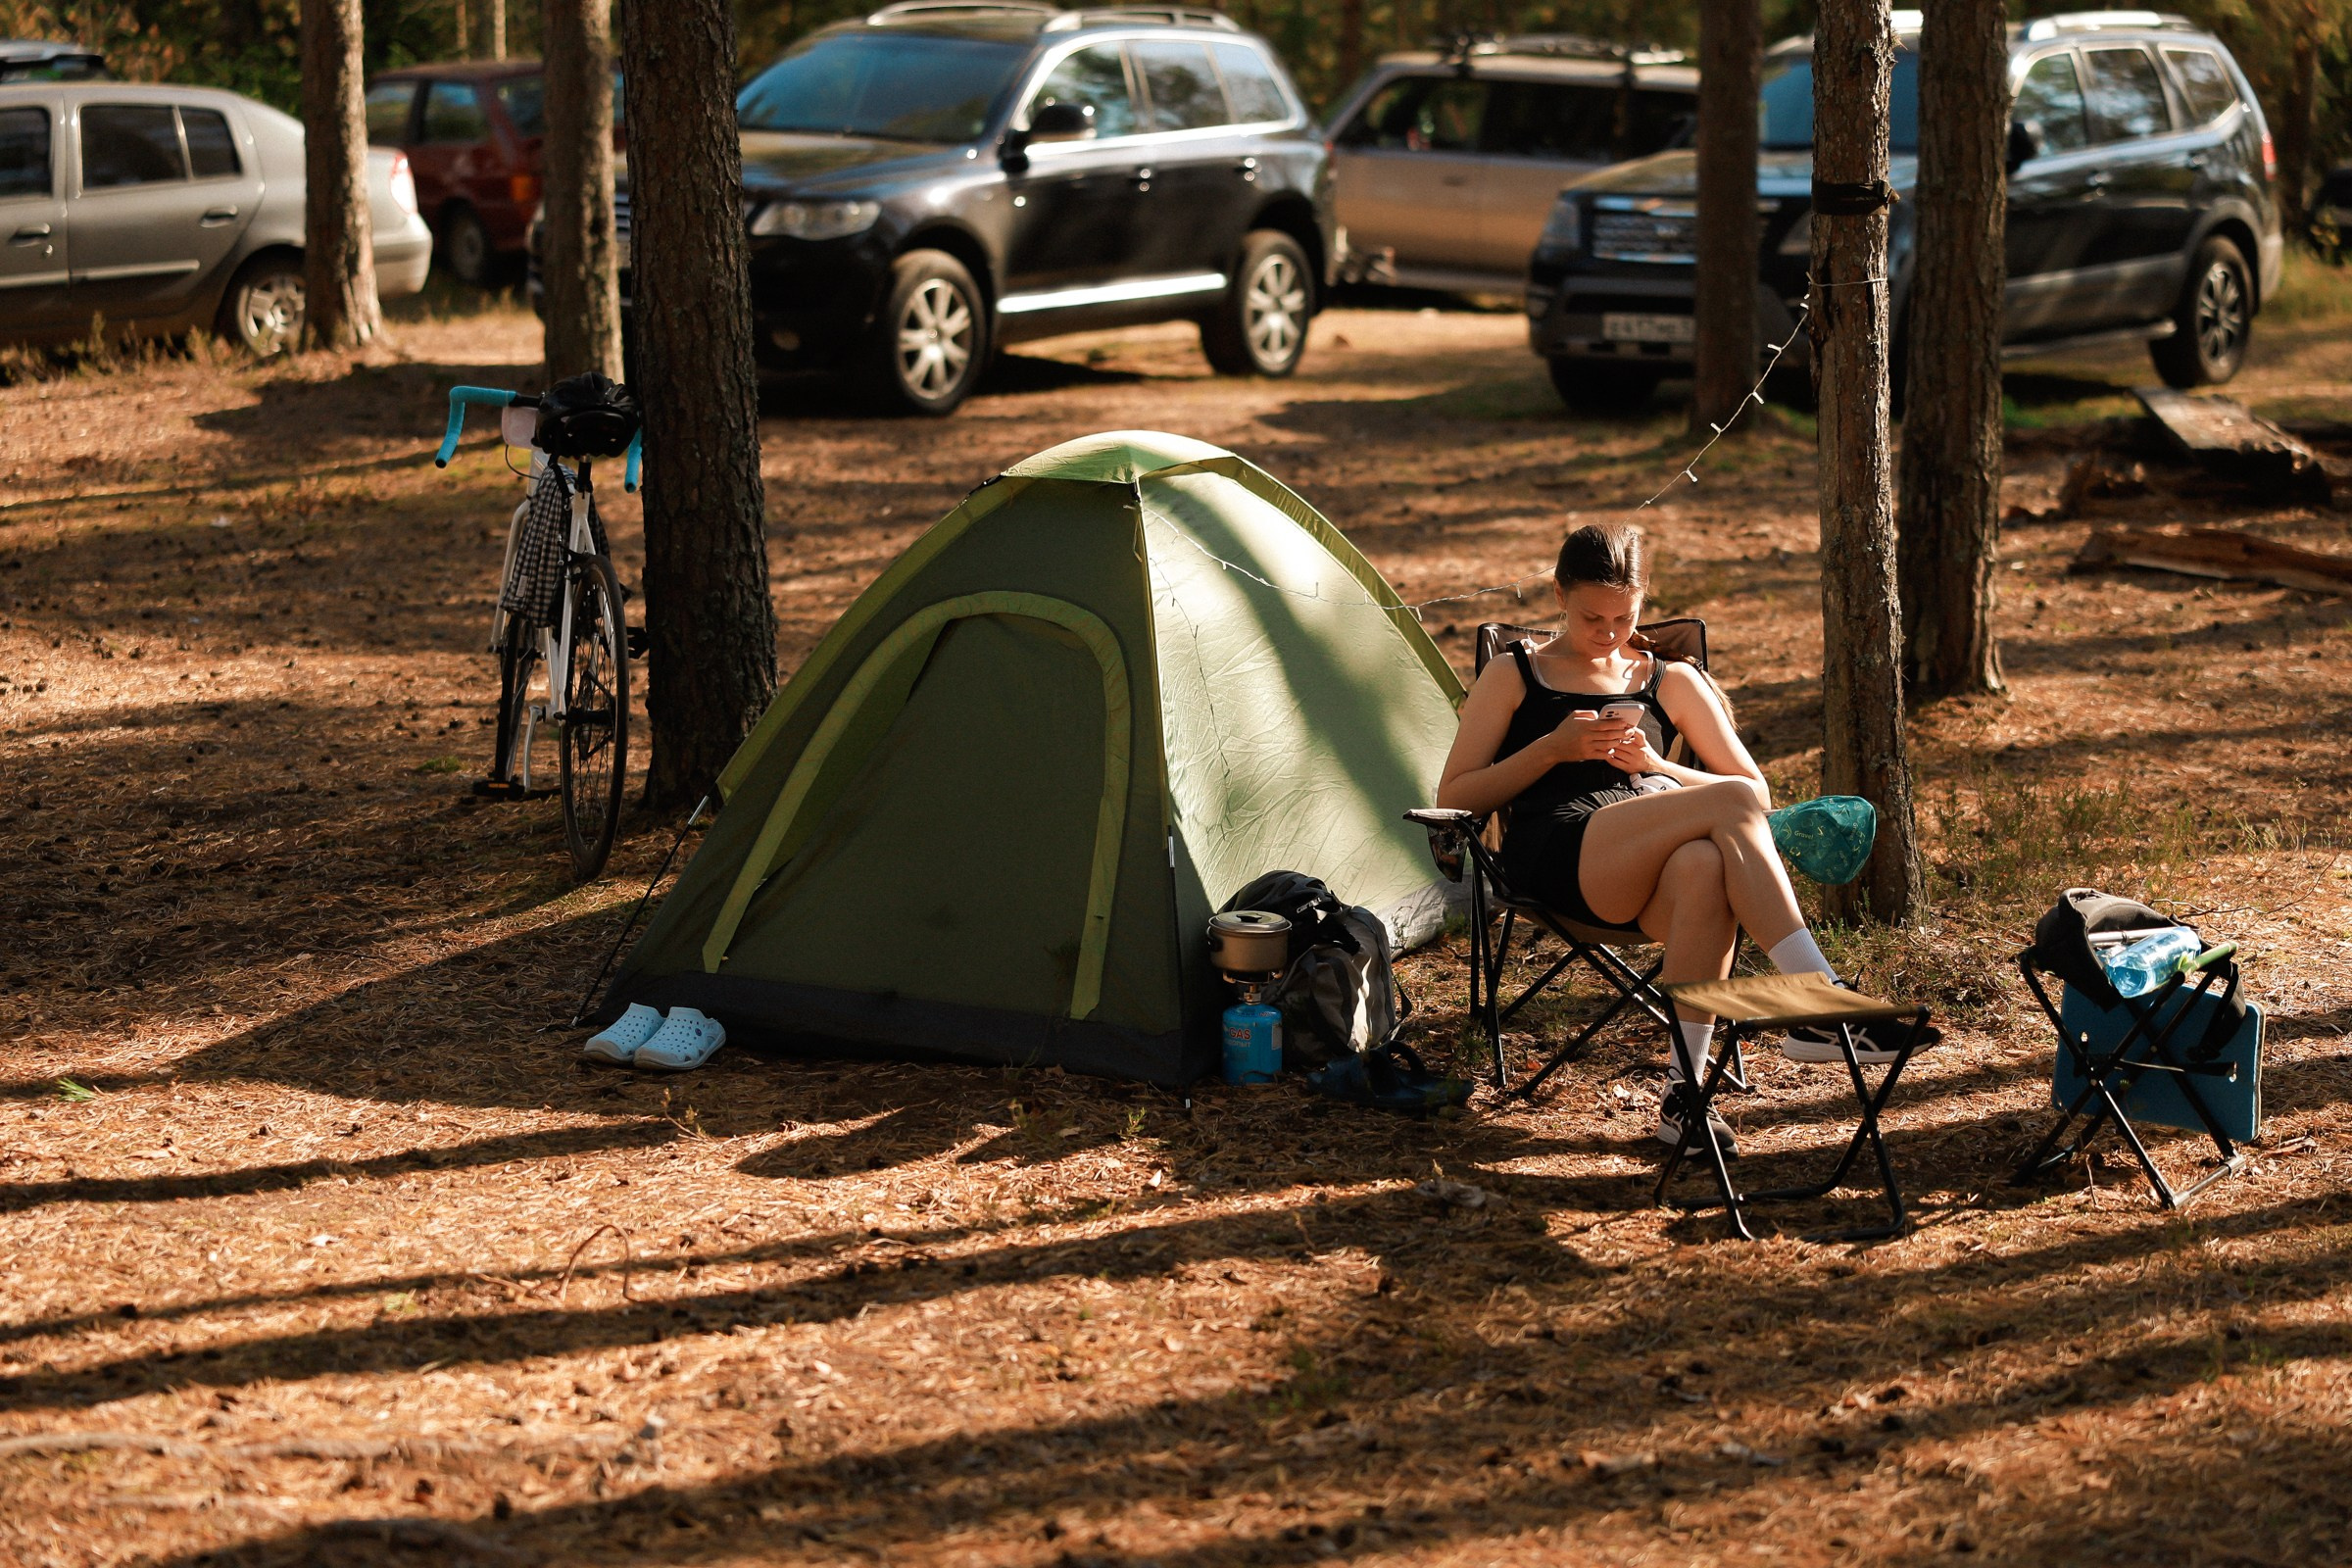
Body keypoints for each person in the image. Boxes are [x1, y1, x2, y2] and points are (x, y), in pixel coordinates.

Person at [1436, 520, 1909, 1153]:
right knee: (1727, 808)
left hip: (1650, 854)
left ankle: (1684, 1097)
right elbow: (1455, 797)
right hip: (1559, 852)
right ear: (1558, 596)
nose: (1607, 634)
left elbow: (1755, 791)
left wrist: (1658, 767)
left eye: (1624, 618)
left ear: (1643, 603)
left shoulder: (1672, 680)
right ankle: (1817, 997)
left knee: (1705, 868)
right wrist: (1552, 750)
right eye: (1590, 618)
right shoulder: (1515, 673)